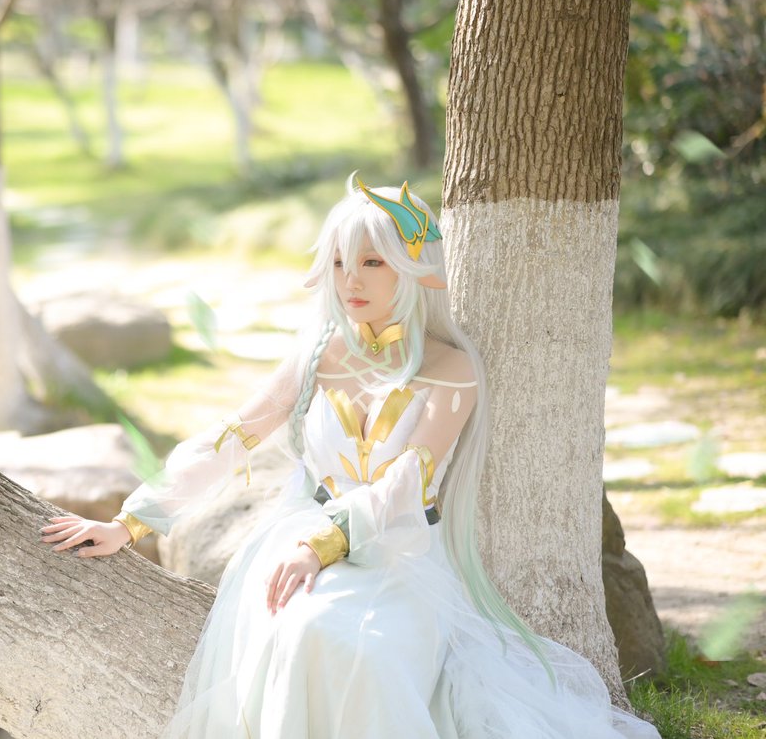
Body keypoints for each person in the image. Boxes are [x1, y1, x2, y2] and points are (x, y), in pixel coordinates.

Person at [40, 176, 661, 739]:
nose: (351, 281)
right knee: (299, 630)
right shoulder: (318, 353)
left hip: (400, 555)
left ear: (413, 268)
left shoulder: (453, 368)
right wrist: (130, 522)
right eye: (339, 262)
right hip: (294, 539)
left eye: (371, 262)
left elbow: (407, 481)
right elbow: (231, 438)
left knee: (361, 650)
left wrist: (323, 546)